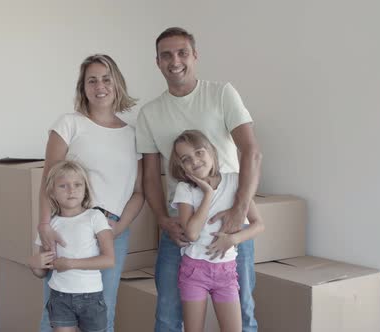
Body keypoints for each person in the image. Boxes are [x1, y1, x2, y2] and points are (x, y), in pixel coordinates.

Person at [135, 27, 263, 332]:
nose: (174, 60)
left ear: (195, 56)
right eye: (166, 55)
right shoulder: (150, 113)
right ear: (157, 62)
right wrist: (163, 219)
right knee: (167, 313)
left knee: (242, 315)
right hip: (181, 225)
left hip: (229, 223)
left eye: (182, 53)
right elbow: (151, 175)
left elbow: (251, 151)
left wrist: (238, 211)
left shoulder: (221, 93)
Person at [37, 54, 144, 332]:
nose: (100, 86)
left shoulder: (133, 135)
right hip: (69, 229)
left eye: (106, 79)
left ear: (117, 83)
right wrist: (44, 225)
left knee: (102, 314)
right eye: (91, 80)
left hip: (110, 232)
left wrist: (117, 229)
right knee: (56, 316)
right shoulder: (69, 124)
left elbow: (138, 193)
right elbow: (48, 182)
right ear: (82, 88)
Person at [169, 130, 264, 332]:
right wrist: (208, 194)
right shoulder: (184, 189)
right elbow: (192, 234)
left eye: (199, 152)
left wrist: (232, 240)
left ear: (211, 151)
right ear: (182, 167)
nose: (194, 161)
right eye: (186, 159)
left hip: (226, 271)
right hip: (194, 270)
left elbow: (258, 225)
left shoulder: (236, 181)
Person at [29, 160, 115, 332]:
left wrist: (71, 264)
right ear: (52, 192)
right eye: (63, 186)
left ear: (85, 188)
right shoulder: (49, 225)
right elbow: (41, 272)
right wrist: (34, 264)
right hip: (59, 297)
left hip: (91, 297)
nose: (71, 190)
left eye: (77, 184)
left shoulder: (95, 217)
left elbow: (109, 260)